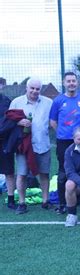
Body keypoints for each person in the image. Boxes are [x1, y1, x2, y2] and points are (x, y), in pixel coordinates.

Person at [50, 72, 80, 214]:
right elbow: (53, 121)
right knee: (63, 172)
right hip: (63, 141)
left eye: (73, 81)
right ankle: (63, 204)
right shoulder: (58, 100)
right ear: (64, 83)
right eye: (69, 81)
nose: (71, 83)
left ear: (77, 82)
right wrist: (63, 133)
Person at [9, 77, 53, 214]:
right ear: (26, 88)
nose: (35, 91)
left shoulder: (49, 102)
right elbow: (8, 121)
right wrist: (19, 122)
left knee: (44, 174)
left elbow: (53, 121)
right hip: (23, 146)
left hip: (43, 144)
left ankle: (45, 201)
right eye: (32, 88)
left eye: (37, 89)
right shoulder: (16, 102)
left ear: (40, 89)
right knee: (21, 174)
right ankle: (22, 203)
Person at [0, 77, 15, 209]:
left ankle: (11, 200)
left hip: (4, 141)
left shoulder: (7, 102)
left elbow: (12, 120)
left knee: (9, 172)